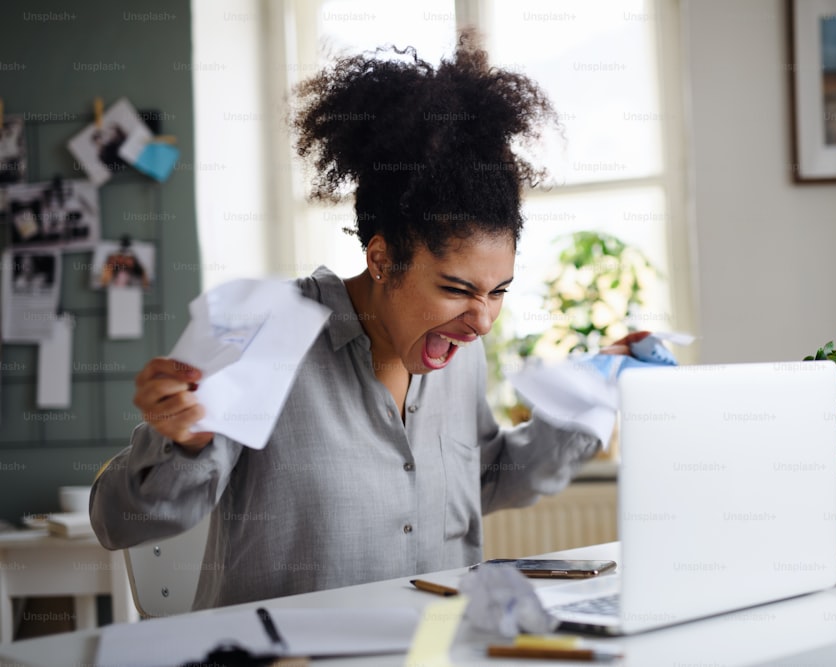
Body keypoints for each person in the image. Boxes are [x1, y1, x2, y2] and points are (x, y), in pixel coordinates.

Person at [90, 36, 638, 610]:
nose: (482, 322)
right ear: (380, 259)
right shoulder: (261, 329)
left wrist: (594, 396)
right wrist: (179, 442)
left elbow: (483, 477)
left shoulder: (458, 352)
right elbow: (114, 523)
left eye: (498, 292)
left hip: (430, 647)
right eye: (456, 289)